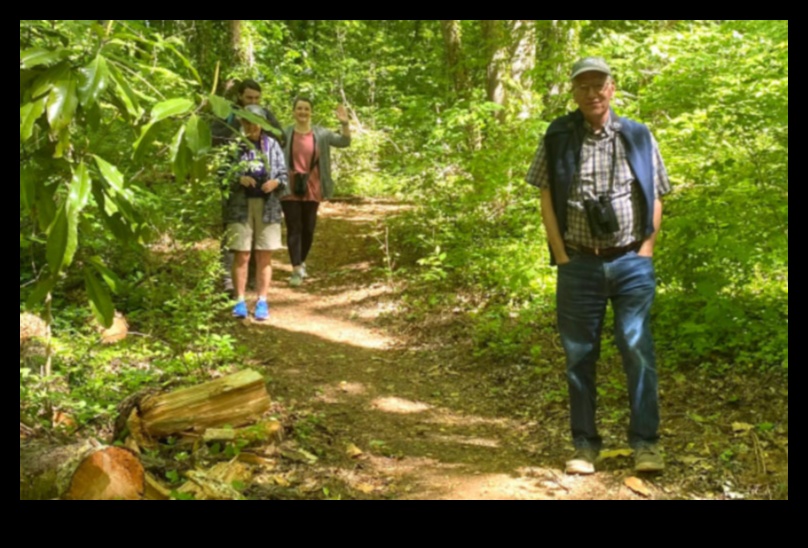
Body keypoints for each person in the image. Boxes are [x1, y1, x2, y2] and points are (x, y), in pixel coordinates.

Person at [526, 57, 672, 475]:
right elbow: (545, 195)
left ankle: (646, 444)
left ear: (612, 89)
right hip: (578, 265)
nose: (592, 93)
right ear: (573, 92)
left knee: (638, 352)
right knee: (579, 357)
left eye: (599, 85)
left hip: (631, 261)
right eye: (583, 86)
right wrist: (560, 252)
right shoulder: (558, 135)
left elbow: (658, 193)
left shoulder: (639, 136)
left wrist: (647, 247)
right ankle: (584, 446)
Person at [223, 104, 288, 321]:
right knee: (242, 253)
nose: (252, 126)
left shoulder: (273, 145)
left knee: (264, 254)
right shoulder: (234, 145)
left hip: (268, 206)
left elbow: (284, 176)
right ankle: (239, 300)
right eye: (248, 121)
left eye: (256, 122)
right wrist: (238, 178)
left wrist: (275, 182)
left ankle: (262, 300)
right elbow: (221, 175)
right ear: (242, 122)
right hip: (240, 206)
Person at [281, 97, 351, 287]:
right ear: (293, 111)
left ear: (311, 112)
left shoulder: (321, 134)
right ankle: (296, 268)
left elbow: (344, 142)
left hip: (313, 186)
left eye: (306, 109)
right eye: (299, 109)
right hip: (290, 187)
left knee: (309, 228)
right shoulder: (285, 133)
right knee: (294, 227)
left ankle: (301, 261)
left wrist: (344, 123)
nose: (303, 112)